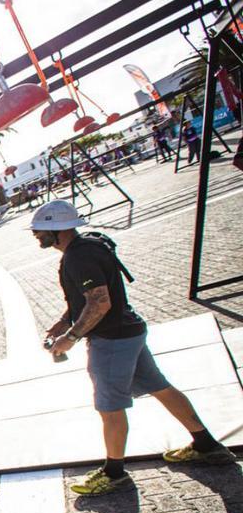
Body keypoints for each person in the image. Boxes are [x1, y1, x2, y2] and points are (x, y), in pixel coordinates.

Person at [31, 200, 234, 495]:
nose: (36, 234)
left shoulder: (79, 257)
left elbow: (100, 302)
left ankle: (114, 474)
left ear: (56, 229)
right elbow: (86, 297)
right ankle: (207, 446)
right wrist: (63, 322)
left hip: (112, 341)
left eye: (39, 229)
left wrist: (71, 338)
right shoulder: (87, 247)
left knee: (109, 408)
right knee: (161, 388)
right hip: (129, 331)